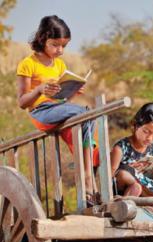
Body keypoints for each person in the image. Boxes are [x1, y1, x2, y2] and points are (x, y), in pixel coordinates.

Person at [16, 15, 98, 205]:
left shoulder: (60, 65)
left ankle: (87, 171)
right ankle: (86, 176)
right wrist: (38, 89)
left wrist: (72, 91)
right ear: (42, 38)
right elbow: (22, 102)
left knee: (88, 114)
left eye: (64, 46)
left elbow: (61, 100)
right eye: (55, 45)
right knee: (81, 113)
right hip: (40, 112)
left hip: (58, 107)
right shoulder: (28, 64)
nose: (60, 50)